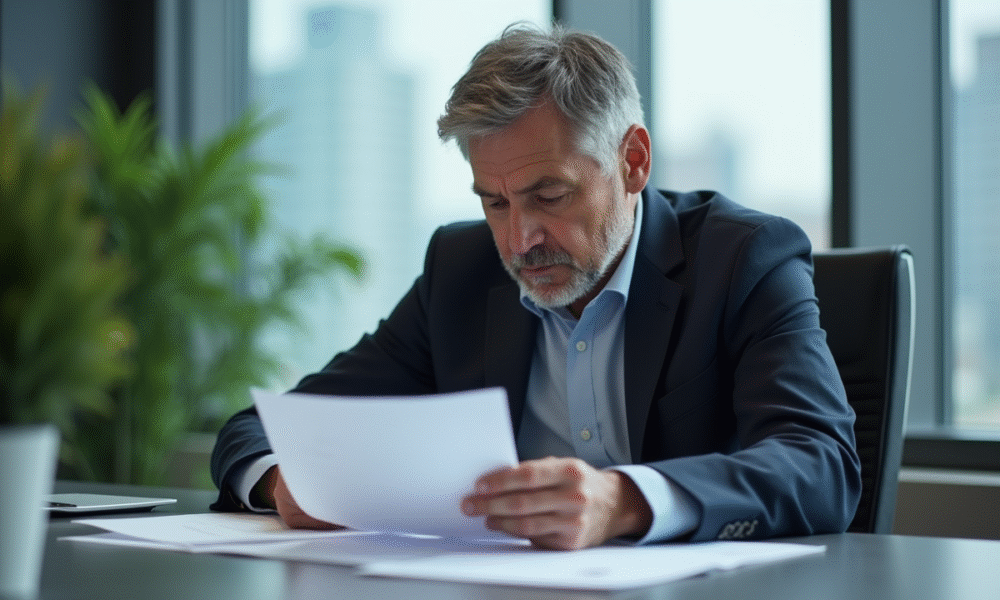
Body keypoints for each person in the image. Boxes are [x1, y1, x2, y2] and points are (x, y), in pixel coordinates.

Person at [210, 23, 861, 550]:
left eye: (548, 195)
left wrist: (625, 500)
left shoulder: (743, 258)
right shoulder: (460, 271)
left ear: (632, 161)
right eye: (494, 202)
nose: (520, 240)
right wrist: (280, 483)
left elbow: (821, 464)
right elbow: (264, 428)